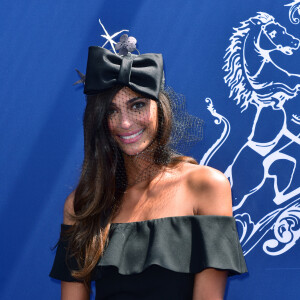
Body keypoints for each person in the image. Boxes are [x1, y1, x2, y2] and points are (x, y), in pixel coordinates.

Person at [50, 27, 247, 300]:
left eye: (138, 105)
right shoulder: (82, 205)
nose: (126, 123)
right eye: (111, 111)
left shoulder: (206, 186)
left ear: (160, 109)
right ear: (98, 122)